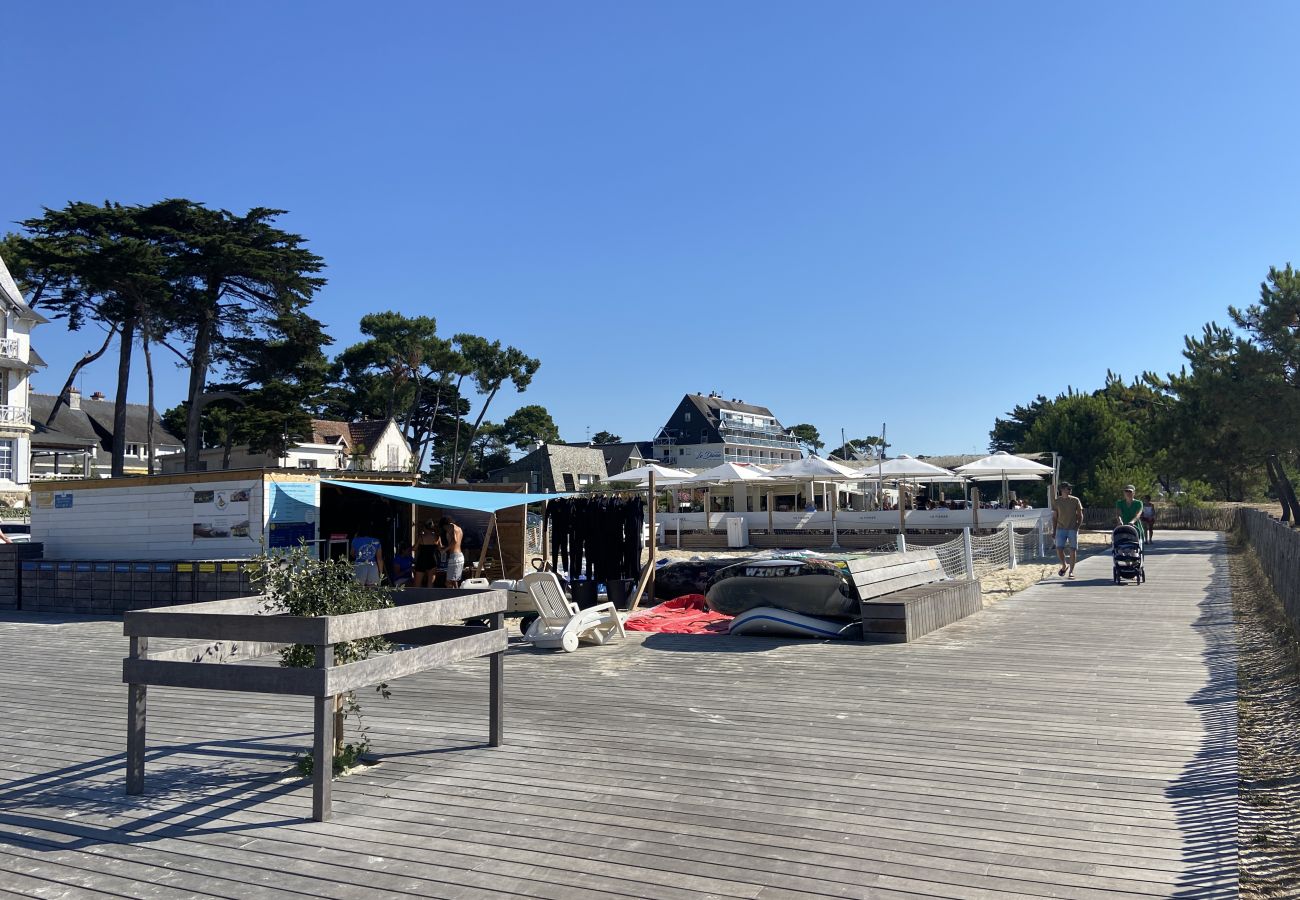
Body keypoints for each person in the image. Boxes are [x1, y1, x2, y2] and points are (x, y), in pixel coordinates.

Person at [1051, 482, 1084, 579]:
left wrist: (1077, 526)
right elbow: (1054, 517)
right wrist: (1054, 530)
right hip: (1061, 528)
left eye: (1070, 488)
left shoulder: (1075, 500)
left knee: (1072, 550)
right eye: (1068, 488)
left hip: (1072, 528)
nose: (1070, 490)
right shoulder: (1057, 501)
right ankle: (1064, 565)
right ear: (1062, 490)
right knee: (1059, 548)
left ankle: (1071, 572)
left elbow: (1080, 514)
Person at [413, 518, 441, 587]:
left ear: (424, 528)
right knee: (430, 584)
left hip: (422, 560)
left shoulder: (421, 537)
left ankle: (416, 597)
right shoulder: (437, 537)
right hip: (433, 560)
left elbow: (414, 548)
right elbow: (441, 549)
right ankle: (430, 597)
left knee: (417, 584)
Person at [439, 515, 464, 588]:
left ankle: (455, 596)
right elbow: (455, 543)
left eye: (444, 527)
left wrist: (444, 550)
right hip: (460, 556)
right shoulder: (459, 529)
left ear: (445, 524)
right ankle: (456, 595)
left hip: (455, 557)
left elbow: (454, 541)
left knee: (449, 582)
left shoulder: (451, 527)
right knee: (453, 580)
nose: (444, 529)